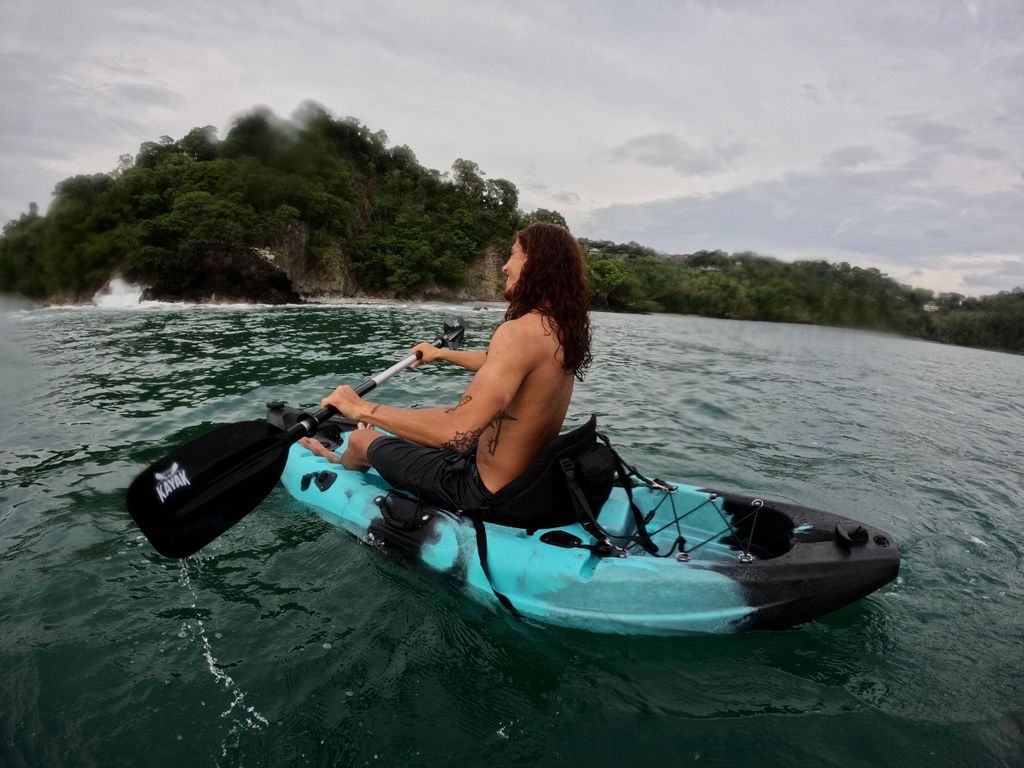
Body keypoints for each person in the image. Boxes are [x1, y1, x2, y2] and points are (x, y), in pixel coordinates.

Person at [298, 221, 593, 516]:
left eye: (513, 254)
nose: (505, 266)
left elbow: (458, 433)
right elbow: (494, 360)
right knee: (421, 426)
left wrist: (360, 408)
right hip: (525, 487)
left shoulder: (517, 332)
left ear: (536, 262)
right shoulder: (559, 332)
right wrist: (440, 354)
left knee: (360, 438)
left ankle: (340, 463)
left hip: (481, 493)